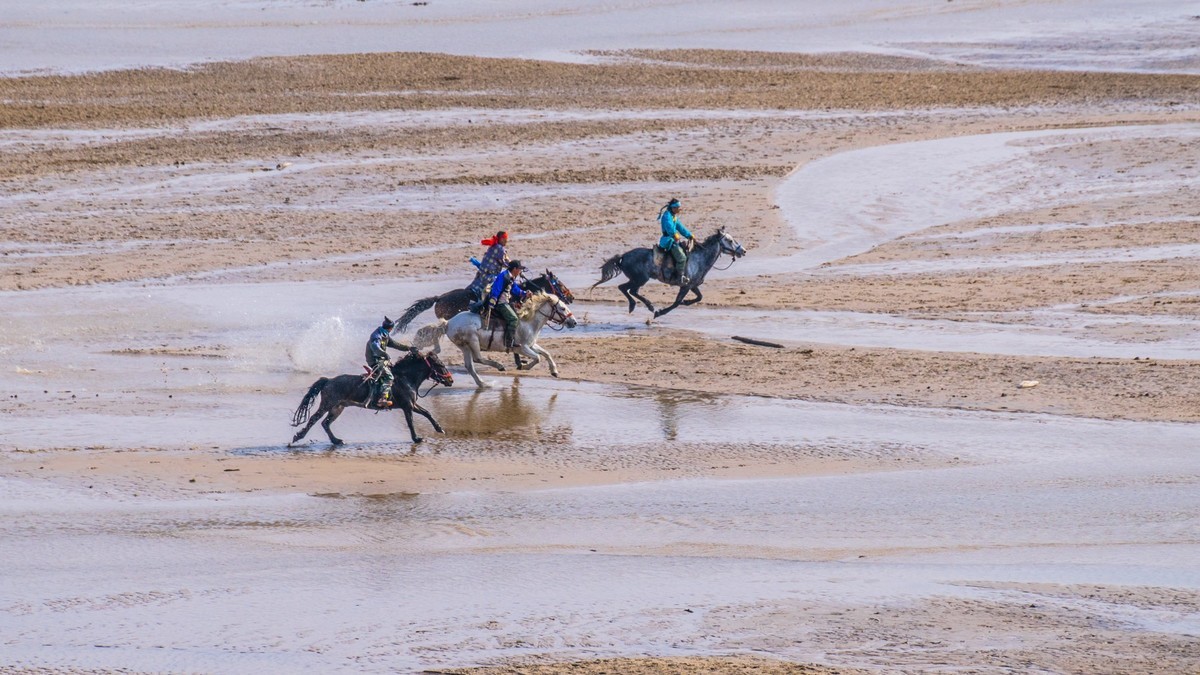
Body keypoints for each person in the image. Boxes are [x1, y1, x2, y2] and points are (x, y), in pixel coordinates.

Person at [365, 316, 411, 409]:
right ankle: (382, 399)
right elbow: (375, 347)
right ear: (391, 328)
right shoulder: (376, 335)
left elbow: (395, 344)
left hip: (381, 359)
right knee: (389, 377)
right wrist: (384, 354)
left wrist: (408, 348)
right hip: (375, 361)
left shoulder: (385, 335)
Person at [487, 259, 528, 352]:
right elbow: (496, 289)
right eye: (519, 269)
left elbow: (515, 289)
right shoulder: (504, 276)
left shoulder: (510, 277)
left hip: (506, 302)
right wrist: (493, 299)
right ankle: (509, 342)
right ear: (514, 269)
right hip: (501, 303)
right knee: (514, 319)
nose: (520, 271)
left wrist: (525, 293)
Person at [658, 198, 693, 285]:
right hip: (668, 241)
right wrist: (674, 234)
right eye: (678, 208)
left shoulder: (673, 217)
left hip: (673, 239)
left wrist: (689, 235)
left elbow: (680, 227)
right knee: (682, 258)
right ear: (673, 208)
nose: (679, 209)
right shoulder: (667, 216)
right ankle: (679, 277)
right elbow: (669, 227)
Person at [469, 230, 510, 301]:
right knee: (500, 287)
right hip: (489, 276)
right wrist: (514, 265)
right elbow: (506, 263)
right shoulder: (500, 249)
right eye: (505, 239)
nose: (506, 241)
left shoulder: (492, 246)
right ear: (501, 239)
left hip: (481, 274)